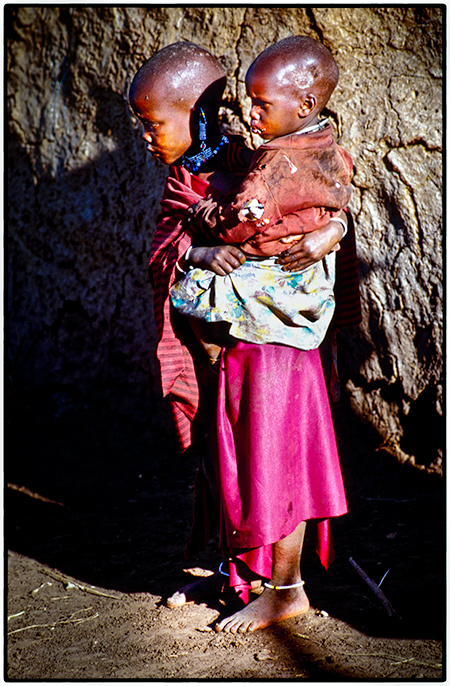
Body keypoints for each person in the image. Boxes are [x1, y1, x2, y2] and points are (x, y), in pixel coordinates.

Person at [129, 39, 360, 634]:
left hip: (274, 344)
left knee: (274, 456)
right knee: (229, 458)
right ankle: (241, 575)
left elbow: (318, 201)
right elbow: (165, 250)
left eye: (154, 125)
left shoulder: (257, 161)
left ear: (198, 115)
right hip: (224, 350)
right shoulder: (188, 178)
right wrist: (201, 249)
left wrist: (333, 228)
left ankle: (286, 587)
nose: (148, 139)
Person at [170, 36, 353, 361]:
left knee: (189, 293)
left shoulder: (274, 168)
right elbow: (341, 191)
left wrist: (201, 213)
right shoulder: (328, 147)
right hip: (314, 281)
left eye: (262, 104)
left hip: (270, 271)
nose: (251, 114)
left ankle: (213, 353)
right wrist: (334, 224)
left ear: (305, 106)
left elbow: (237, 221)